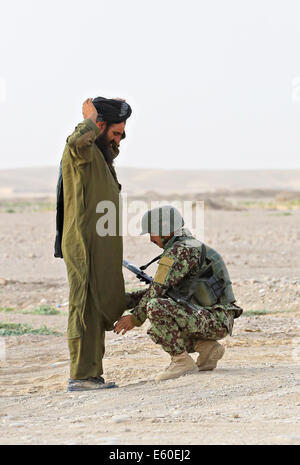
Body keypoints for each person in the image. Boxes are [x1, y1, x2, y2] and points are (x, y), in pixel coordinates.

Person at [54, 97, 132, 391]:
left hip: (100, 244)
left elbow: (109, 146)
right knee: (84, 304)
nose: (119, 139)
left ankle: (91, 374)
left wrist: (113, 117)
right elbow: (77, 140)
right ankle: (81, 376)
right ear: (98, 128)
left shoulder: (99, 156)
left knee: (99, 303)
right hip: (85, 243)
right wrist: (90, 119)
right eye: (114, 132)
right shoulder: (81, 152)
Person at [114, 205, 243, 382]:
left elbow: (156, 292)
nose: (151, 239)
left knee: (156, 308)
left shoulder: (180, 251)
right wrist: (124, 301)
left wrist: (134, 318)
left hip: (214, 319)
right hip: (215, 318)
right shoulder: (189, 246)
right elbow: (161, 290)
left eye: (152, 233)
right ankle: (207, 348)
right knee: (159, 318)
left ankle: (181, 361)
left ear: (164, 231)